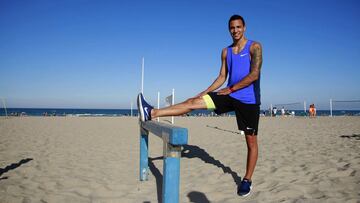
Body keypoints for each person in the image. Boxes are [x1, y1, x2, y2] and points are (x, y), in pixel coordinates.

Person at [137, 14, 262, 197]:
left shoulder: (255, 47)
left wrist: (232, 88)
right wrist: (203, 92)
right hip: (228, 93)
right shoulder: (226, 52)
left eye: (238, 27)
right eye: (232, 28)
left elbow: (255, 74)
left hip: (248, 100)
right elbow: (221, 77)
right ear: (229, 29)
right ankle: (152, 112)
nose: (235, 31)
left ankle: (247, 180)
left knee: (251, 142)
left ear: (244, 28)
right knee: (192, 102)